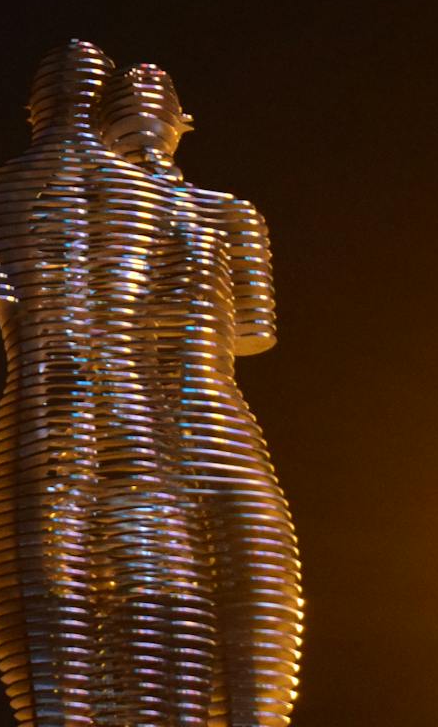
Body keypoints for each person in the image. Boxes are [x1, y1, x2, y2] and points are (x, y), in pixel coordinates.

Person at [0, 39, 208, 724]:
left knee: (48, 601)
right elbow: (185, 310)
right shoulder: (167, 201)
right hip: (141, 412)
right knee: (160, 611)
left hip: (46, 398)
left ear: (33, 106)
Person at [98, 64, 303, 724]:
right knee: (223, 599)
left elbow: (257, 332)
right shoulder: (227, 214)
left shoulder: (90, 218)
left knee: (197, 604)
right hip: (196, 416)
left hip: (144, 424)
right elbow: (251, 328)